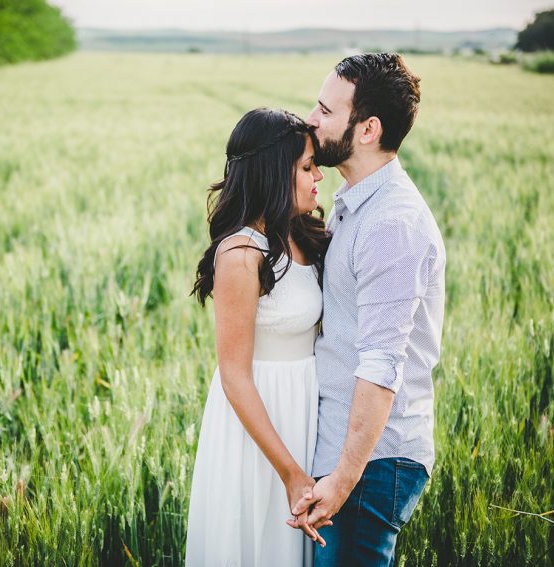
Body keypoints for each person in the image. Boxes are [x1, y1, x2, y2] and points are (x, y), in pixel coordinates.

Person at [288, 54, 446, 566]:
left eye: (325, 110)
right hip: (349, 454)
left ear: (368, 129)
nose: (311, 119)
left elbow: (381, 366)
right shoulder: (355, 201)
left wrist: (341, 479)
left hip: (371, 465)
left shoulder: (391, 223)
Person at [186, 107, 331, 566]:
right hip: (261, 424)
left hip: (305, 408)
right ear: (273, 172)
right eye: (307, 167)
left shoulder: (302, 235)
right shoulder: (241, 253)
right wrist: (290, 472)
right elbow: (234, 376)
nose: (318, 178)